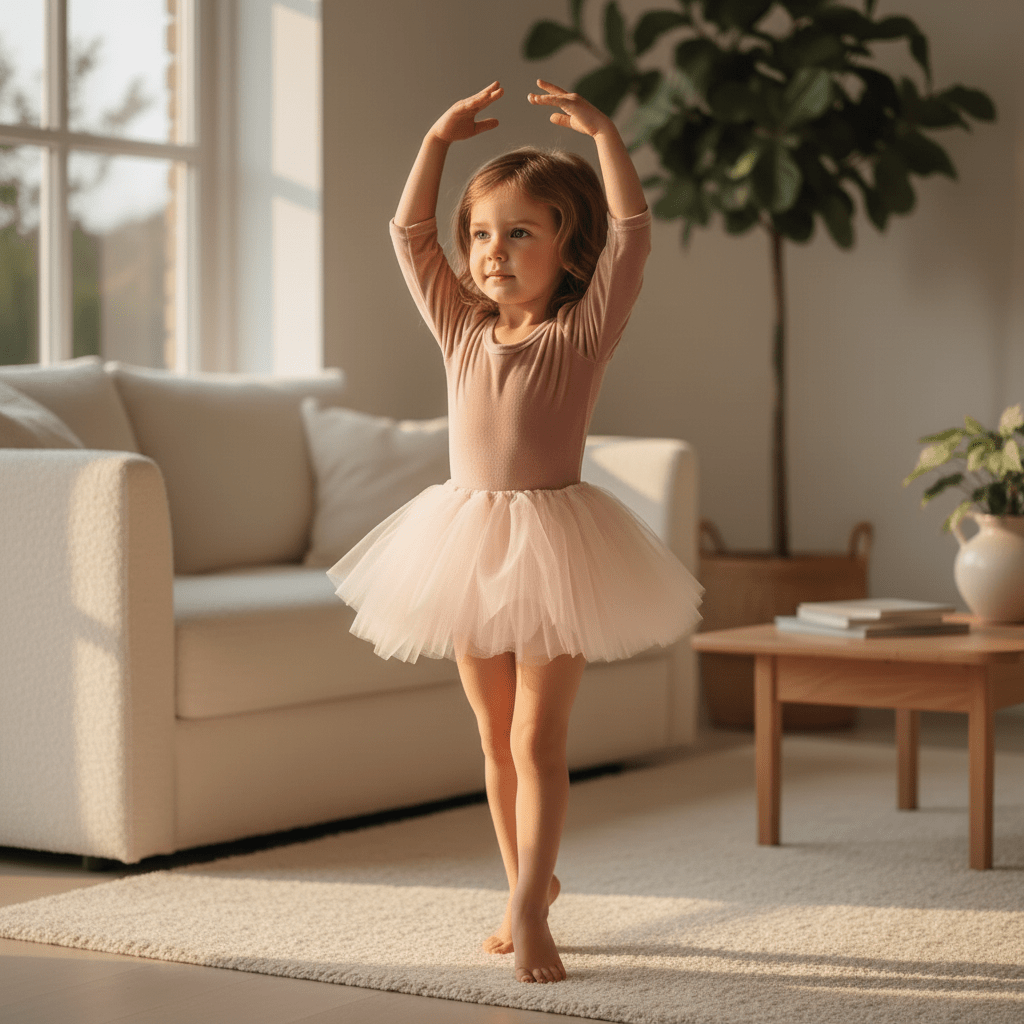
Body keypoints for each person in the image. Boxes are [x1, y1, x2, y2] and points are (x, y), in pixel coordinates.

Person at [327, 79, 703, 984]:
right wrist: (435, 140)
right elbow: (408, 237)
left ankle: (534, 908)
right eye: (484, 235)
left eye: (522, 232)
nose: (495, 252)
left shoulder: (579, 335)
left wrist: (607, 135)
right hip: (461, 543)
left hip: (557, 547)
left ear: (569, 251)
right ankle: (522, 885)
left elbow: (636, 235)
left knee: (539, 739)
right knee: (493, 738)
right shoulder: (461, 329)